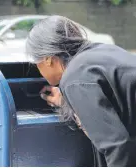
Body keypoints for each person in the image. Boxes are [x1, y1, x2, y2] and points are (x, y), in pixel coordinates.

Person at [26, 15, 136, 166]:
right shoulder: (102, 52)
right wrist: (66, 101)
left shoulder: (75, 78)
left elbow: (117, 146)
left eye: (36, 63)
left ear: (48, 59)